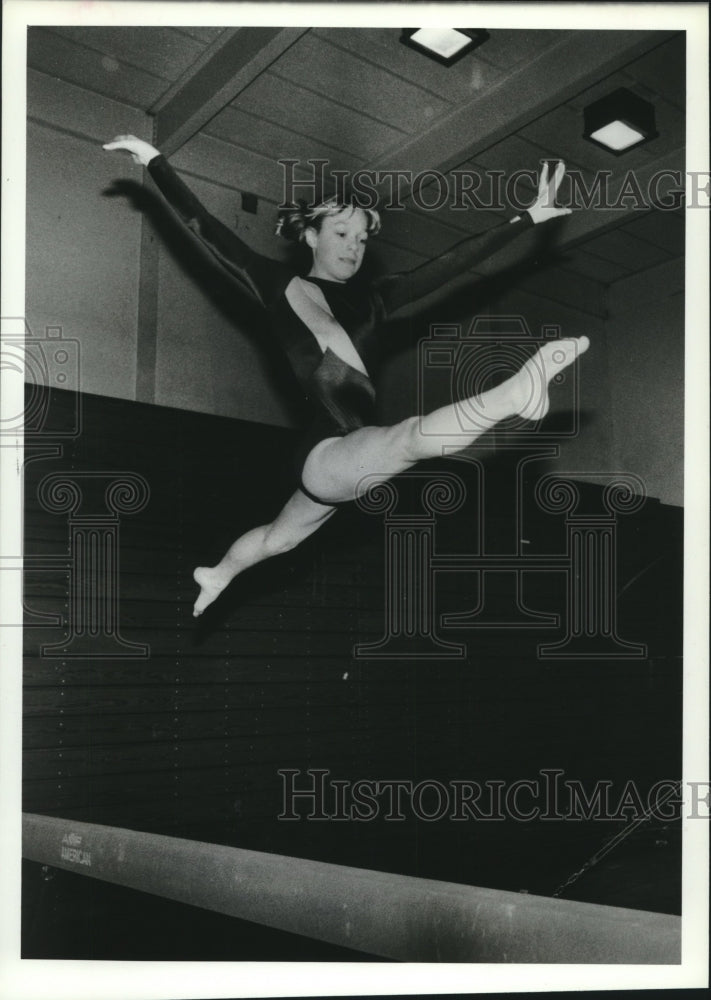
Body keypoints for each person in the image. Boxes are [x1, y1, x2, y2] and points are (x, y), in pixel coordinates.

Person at [104, 135, 589, 616]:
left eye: (361, 239)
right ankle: (509, 396)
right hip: (328, 448)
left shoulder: (376, 299)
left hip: (341, 452)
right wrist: (155, 162)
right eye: (341, 234)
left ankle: (220, 572)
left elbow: (452, 263)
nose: (354, 248)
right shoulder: (278, 283)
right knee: (405, 441)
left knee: (281, 539)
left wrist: (525, 218)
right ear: (311, 235)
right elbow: (205, 227)